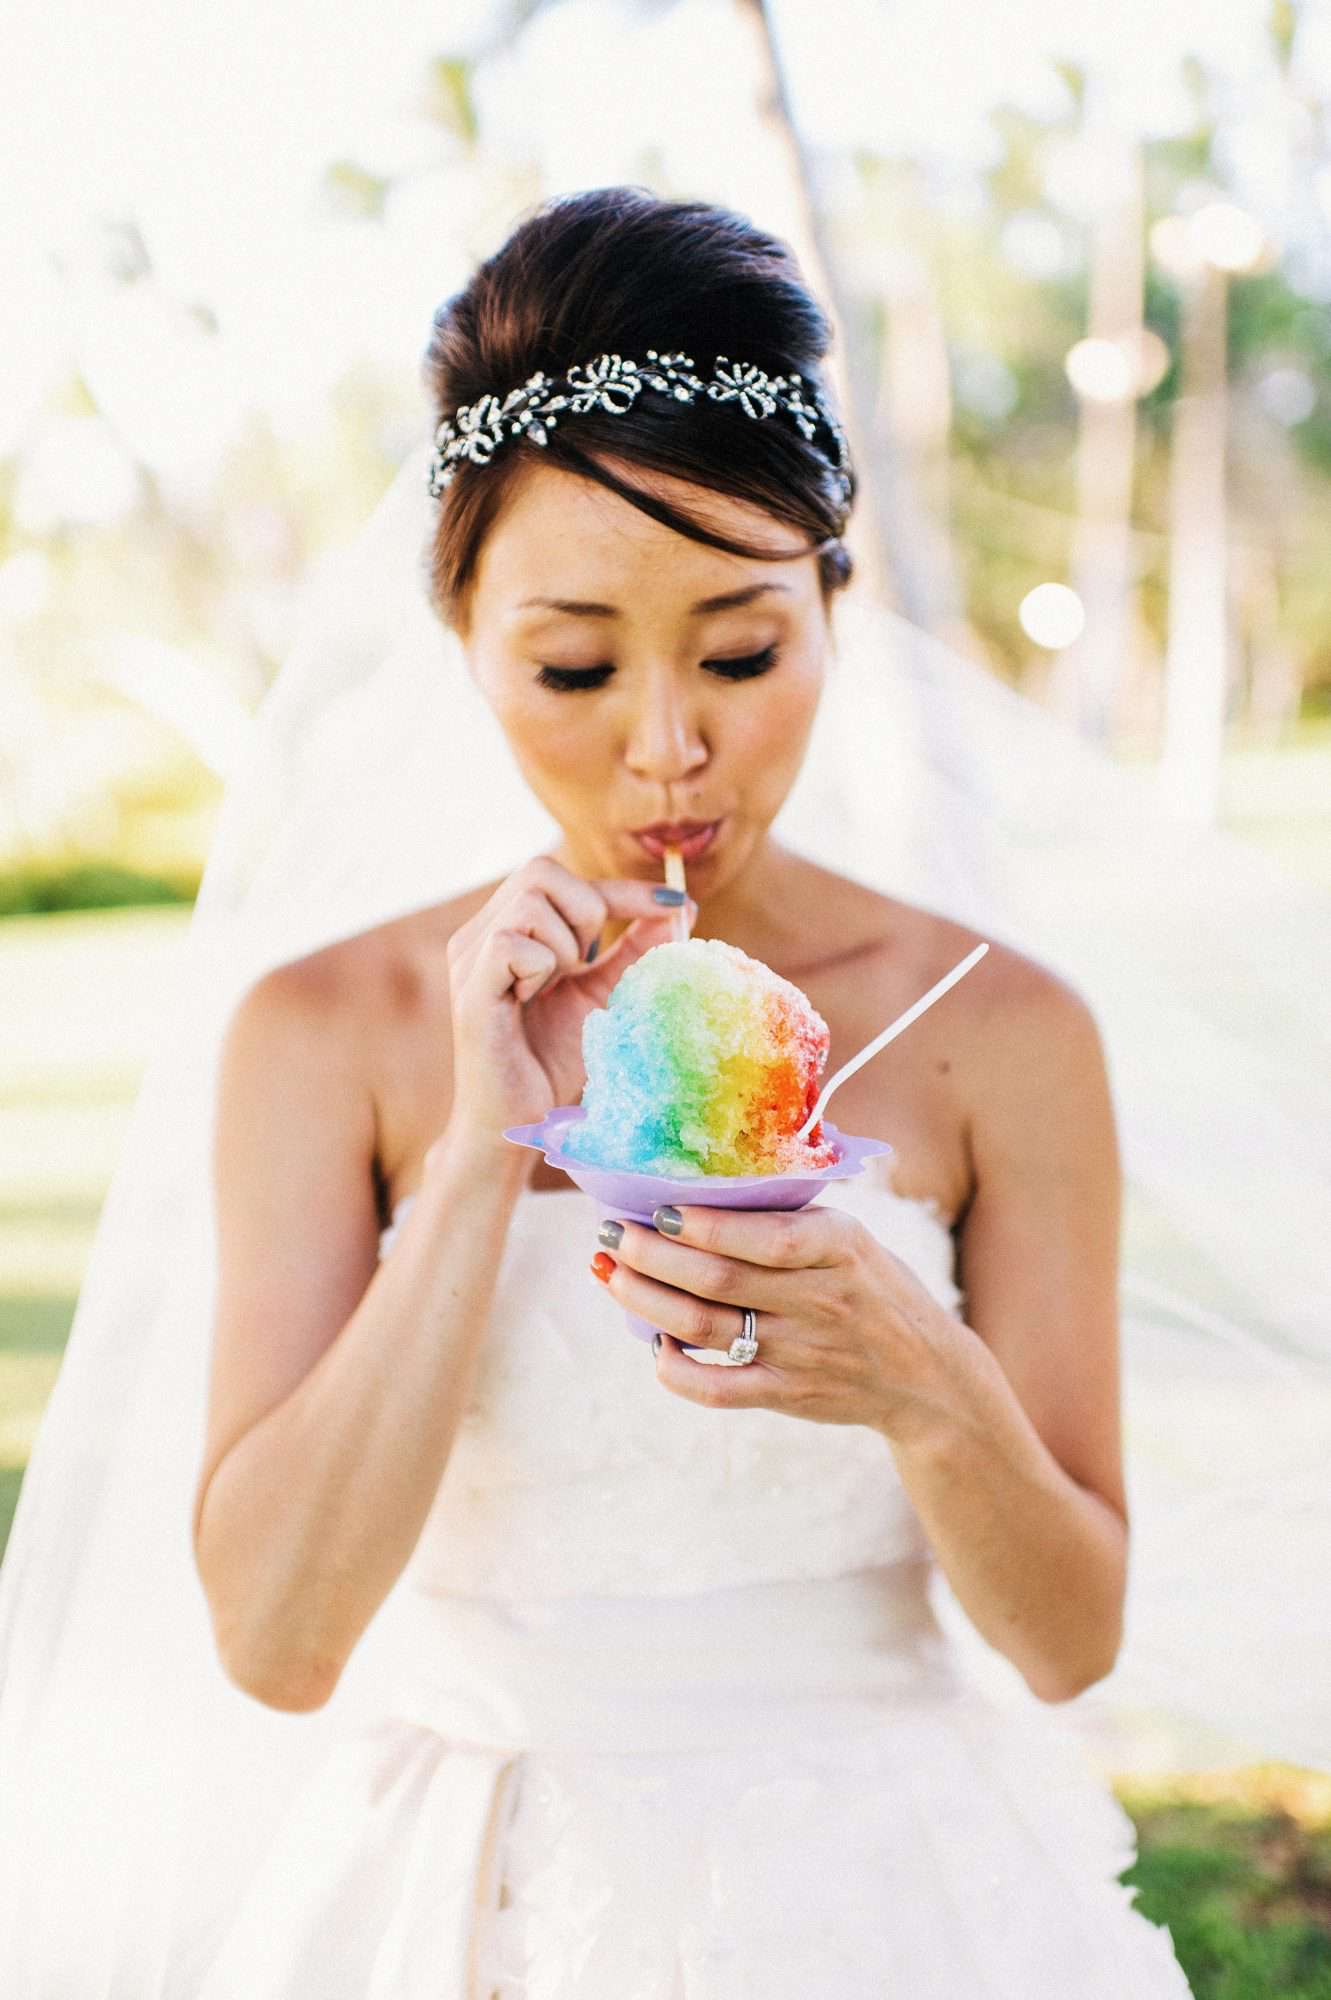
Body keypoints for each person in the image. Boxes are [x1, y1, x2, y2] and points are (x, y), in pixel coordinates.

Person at [8, 181, 1329, 1996]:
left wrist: (924, 1382)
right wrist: (481, 1156)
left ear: (833, 606)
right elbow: (279, 1637)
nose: (666, 744)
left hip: (892, 1887)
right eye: (571, 664)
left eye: (739, 650)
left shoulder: (996, 1026)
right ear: (462, 634)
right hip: (471, 1897)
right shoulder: (324, 1032)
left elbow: (1071, 1643)